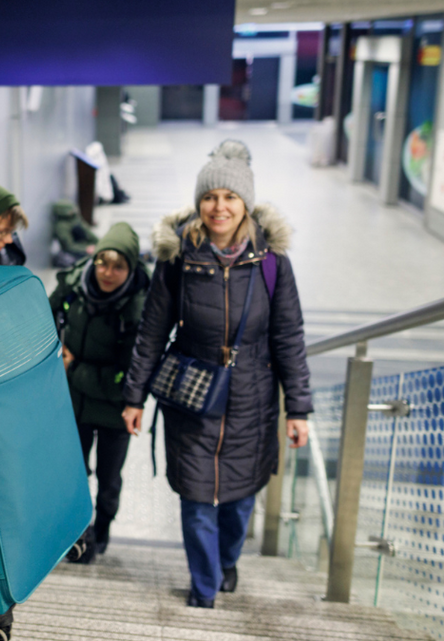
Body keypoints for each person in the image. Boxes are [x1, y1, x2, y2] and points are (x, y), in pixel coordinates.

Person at [121, 140, 312, 609]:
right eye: (209, 197)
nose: (218, 207)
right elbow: (151, 332)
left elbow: (289, 336)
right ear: (198, 202)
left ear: (245, 202)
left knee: (241, 499)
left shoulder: (271, 263)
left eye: (229, 197)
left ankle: (227, 562)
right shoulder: (178, 258)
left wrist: (299, 409)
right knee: (196, 498)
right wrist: (134, 397)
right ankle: (204, 586)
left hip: (253, 397)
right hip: (192, 394)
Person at [49, 222, 149, 563]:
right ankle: (79, 535)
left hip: (113, 409)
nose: (107, 272)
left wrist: (73, 369)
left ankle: (102, 529)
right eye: (103, 262)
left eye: (118, 266)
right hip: (74, 403)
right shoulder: (75, 284)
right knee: (73, 474)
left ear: (131, 268)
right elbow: (43, 316)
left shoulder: (138, 309)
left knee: (108, 479)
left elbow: (128, 377)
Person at [51, 200, 98, 268]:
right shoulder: (61, 226)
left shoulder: (75, 218)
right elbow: (69, 246)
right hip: (76, 250)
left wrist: (98, 242)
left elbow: (88, 232)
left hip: (85, 245)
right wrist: (86, 248)